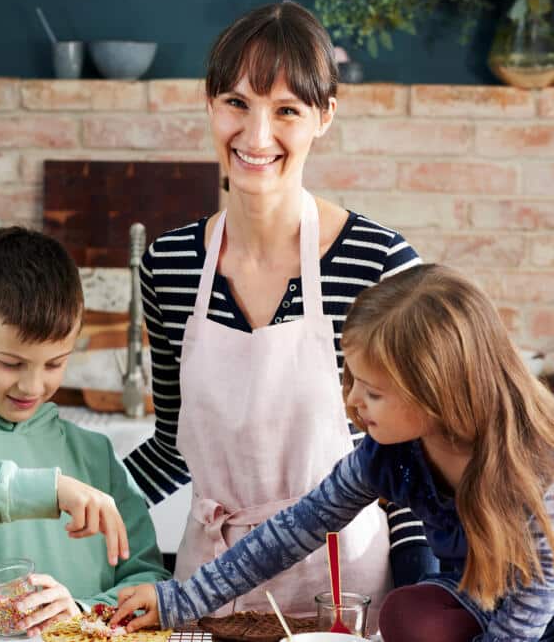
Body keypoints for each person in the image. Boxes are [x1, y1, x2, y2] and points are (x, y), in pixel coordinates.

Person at [123, 0, 433, 626]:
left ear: (324, 117)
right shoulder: (170, 265)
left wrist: (423, 592)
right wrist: (72, 496)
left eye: (286, 110)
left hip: (344, 592)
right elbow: (172, 446)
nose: (256, 136)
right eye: (237, 103)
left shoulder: (380, 263)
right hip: (208, 587)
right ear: (210, 104)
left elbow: (410, 454)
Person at [113, 263, 554, 642]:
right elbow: (295, 528)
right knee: (407, 612)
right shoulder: (390, 453)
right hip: (477, 596)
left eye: (374, 392)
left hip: (544, 611)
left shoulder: (532, 466)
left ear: (434, 391)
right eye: (353, 379)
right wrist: (179, 599)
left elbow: (535, 601)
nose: (353, 401)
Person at [0, 227, 170, 636]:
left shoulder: (94, 455)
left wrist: (80, 613)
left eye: (54, 363)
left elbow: (148, 583)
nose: (32, 386)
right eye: (11, 363)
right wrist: (47, 490)